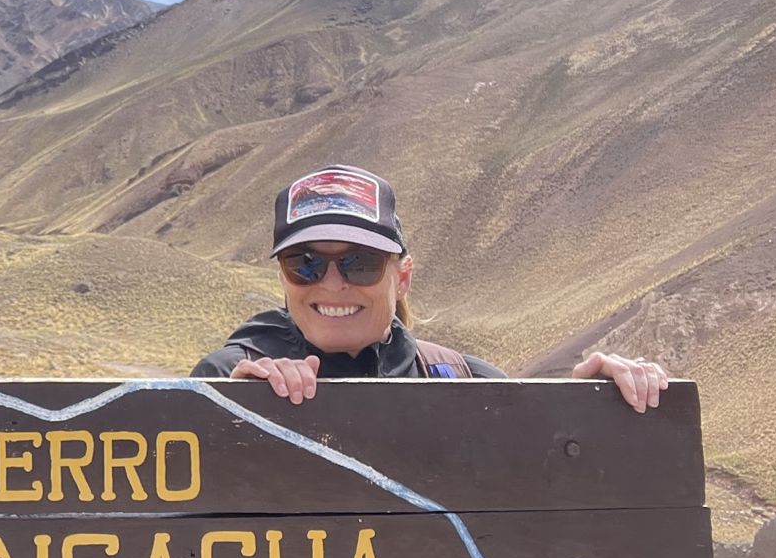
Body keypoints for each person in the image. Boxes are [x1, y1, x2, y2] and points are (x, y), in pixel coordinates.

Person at [191, 164, 669, 411]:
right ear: (283, 277)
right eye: (305, 264)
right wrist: (229, 416)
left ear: (401, 278)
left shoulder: (469, 383)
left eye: (360, 263)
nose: (332, 283)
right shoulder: (226, 377)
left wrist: (593, 410)